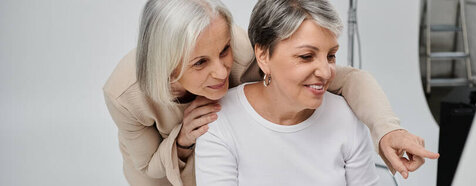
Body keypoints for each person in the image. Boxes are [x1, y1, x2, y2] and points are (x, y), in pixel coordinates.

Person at [103, 0, 438, 185]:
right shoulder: (125, 95)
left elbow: (345, 79)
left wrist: (387, 128)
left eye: (223, 51)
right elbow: (147, 166)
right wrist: (181, 142)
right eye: (200, 63)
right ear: (168, 65)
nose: (221, 73)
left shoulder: (249, 49)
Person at [194, 0, 378, 185]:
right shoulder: (220, 121)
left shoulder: (345, 118)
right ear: (263, 56)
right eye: (306, 56)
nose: (326, 72)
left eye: (330, 56)